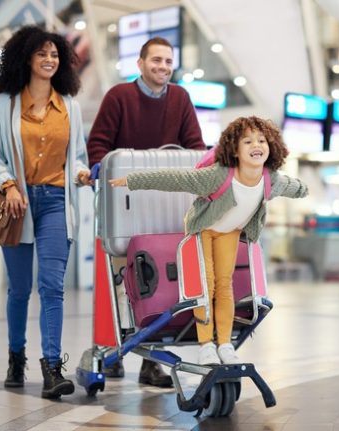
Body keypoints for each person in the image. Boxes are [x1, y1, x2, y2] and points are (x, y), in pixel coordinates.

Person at [109, 116, 308, 365]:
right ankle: (206, 345)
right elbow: (175, 179)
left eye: (262, 140)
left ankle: (224, 343)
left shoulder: (271, 179)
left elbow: (293, 186)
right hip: (203, 229)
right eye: (247, 141)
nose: (256, 145)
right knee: (205, 284)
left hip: (230, 231)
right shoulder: (218, 176)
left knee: (225, 285)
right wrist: (132, 180)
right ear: (234, 150)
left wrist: (304, 190)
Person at [87, 36, 205, 387]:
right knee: (122, 284)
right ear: (140, 64)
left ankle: (149, 360)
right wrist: (98, 169)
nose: (163, 67)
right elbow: (97, 146)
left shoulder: (181, 98)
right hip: (124, 206)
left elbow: (195, 147)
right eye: (156, 60)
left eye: (168, 62)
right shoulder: (119, 97)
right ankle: (111, 348)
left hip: (165, 205)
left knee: (157, 284)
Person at [0, 25, 91, 399]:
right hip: (17, 204)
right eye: (42, 53)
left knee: (52, 286)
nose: (49, 60)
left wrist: (81, 171)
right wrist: (8, 185)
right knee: (20, 289)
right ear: (26, 58)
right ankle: (16, 357)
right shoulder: (4, 104)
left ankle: (51, 368)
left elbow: (77, 154)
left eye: (55, 54)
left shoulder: (70, 107)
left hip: (57, 204)